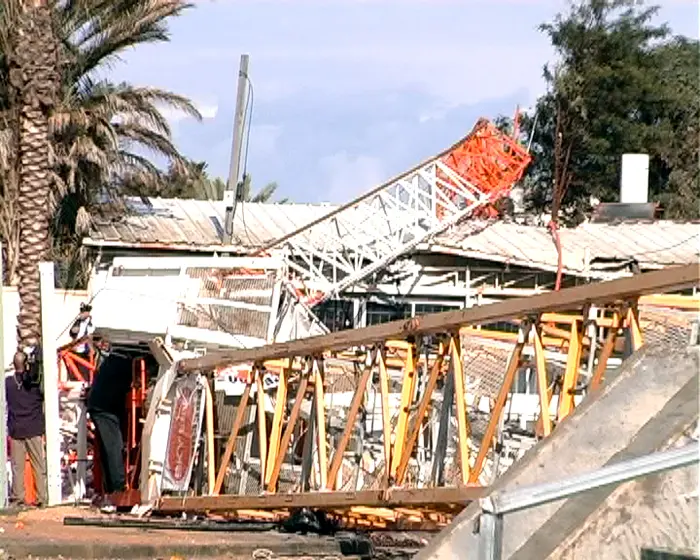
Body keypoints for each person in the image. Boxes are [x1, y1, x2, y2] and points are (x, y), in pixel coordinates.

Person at [86, 345, 132, 511]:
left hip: (100, 406)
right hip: (106, 409)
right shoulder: (123, 364)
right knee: (113, 448)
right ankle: (117, 491)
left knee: (108, 449)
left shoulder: (111, 362)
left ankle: (112, 490)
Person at [5, 350, 47, 506]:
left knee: (18, 467)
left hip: (16, 430)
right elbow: (42, 393)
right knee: (38, 465)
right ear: (26, 364)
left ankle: (18, 498)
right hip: (34, 429)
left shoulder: (8, 383)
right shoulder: (35, 385)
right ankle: (42, 498)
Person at [69, 303, 95, 379]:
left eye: (83, 311)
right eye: (81, 311)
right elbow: (73, 333)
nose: (81, 313)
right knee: (74, 372)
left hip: (85, 353)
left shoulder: (91, 323)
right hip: (76, 351)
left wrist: (91, 349)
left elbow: (90, 336)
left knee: (84, 373)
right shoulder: (78, 322)